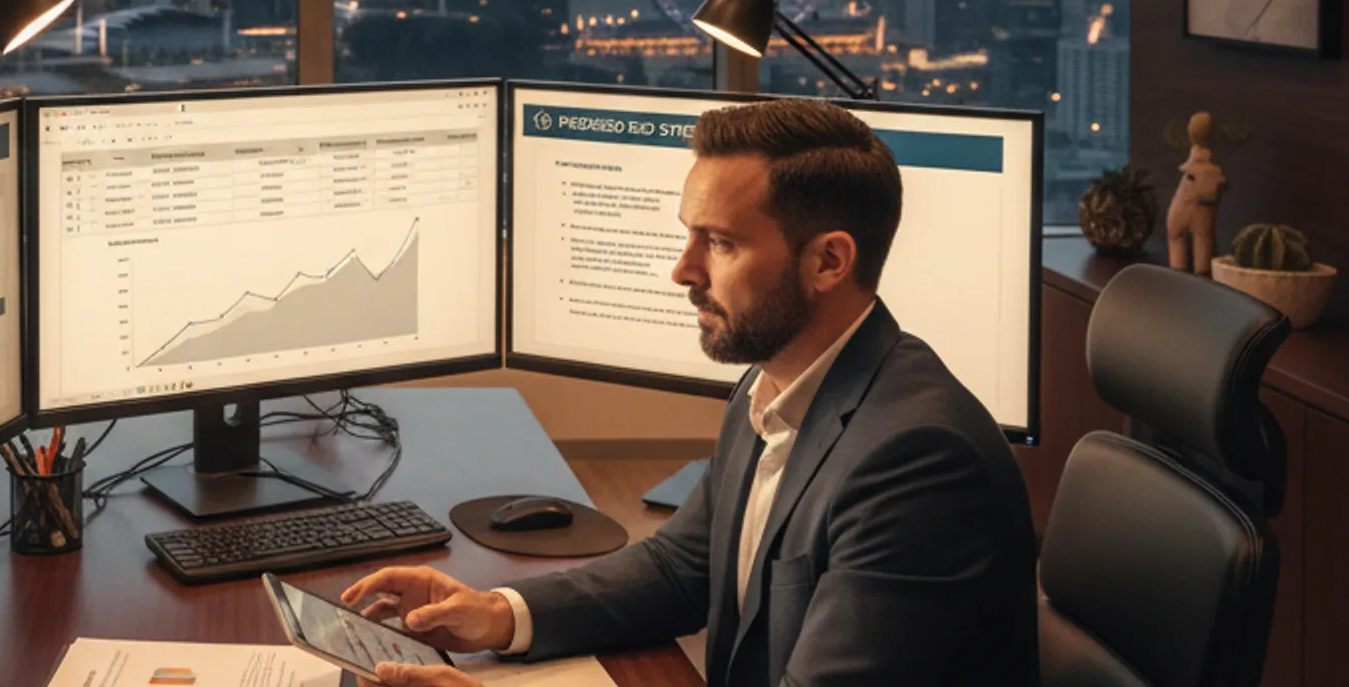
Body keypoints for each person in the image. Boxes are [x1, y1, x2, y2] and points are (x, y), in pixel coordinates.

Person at [343, 98, 1037, 687]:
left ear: (828, 261)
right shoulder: (778, 381)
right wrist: (501, 613)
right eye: (689, 237)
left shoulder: (918, 462)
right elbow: (683, 567)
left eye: (721, 243)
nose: (683, 270)